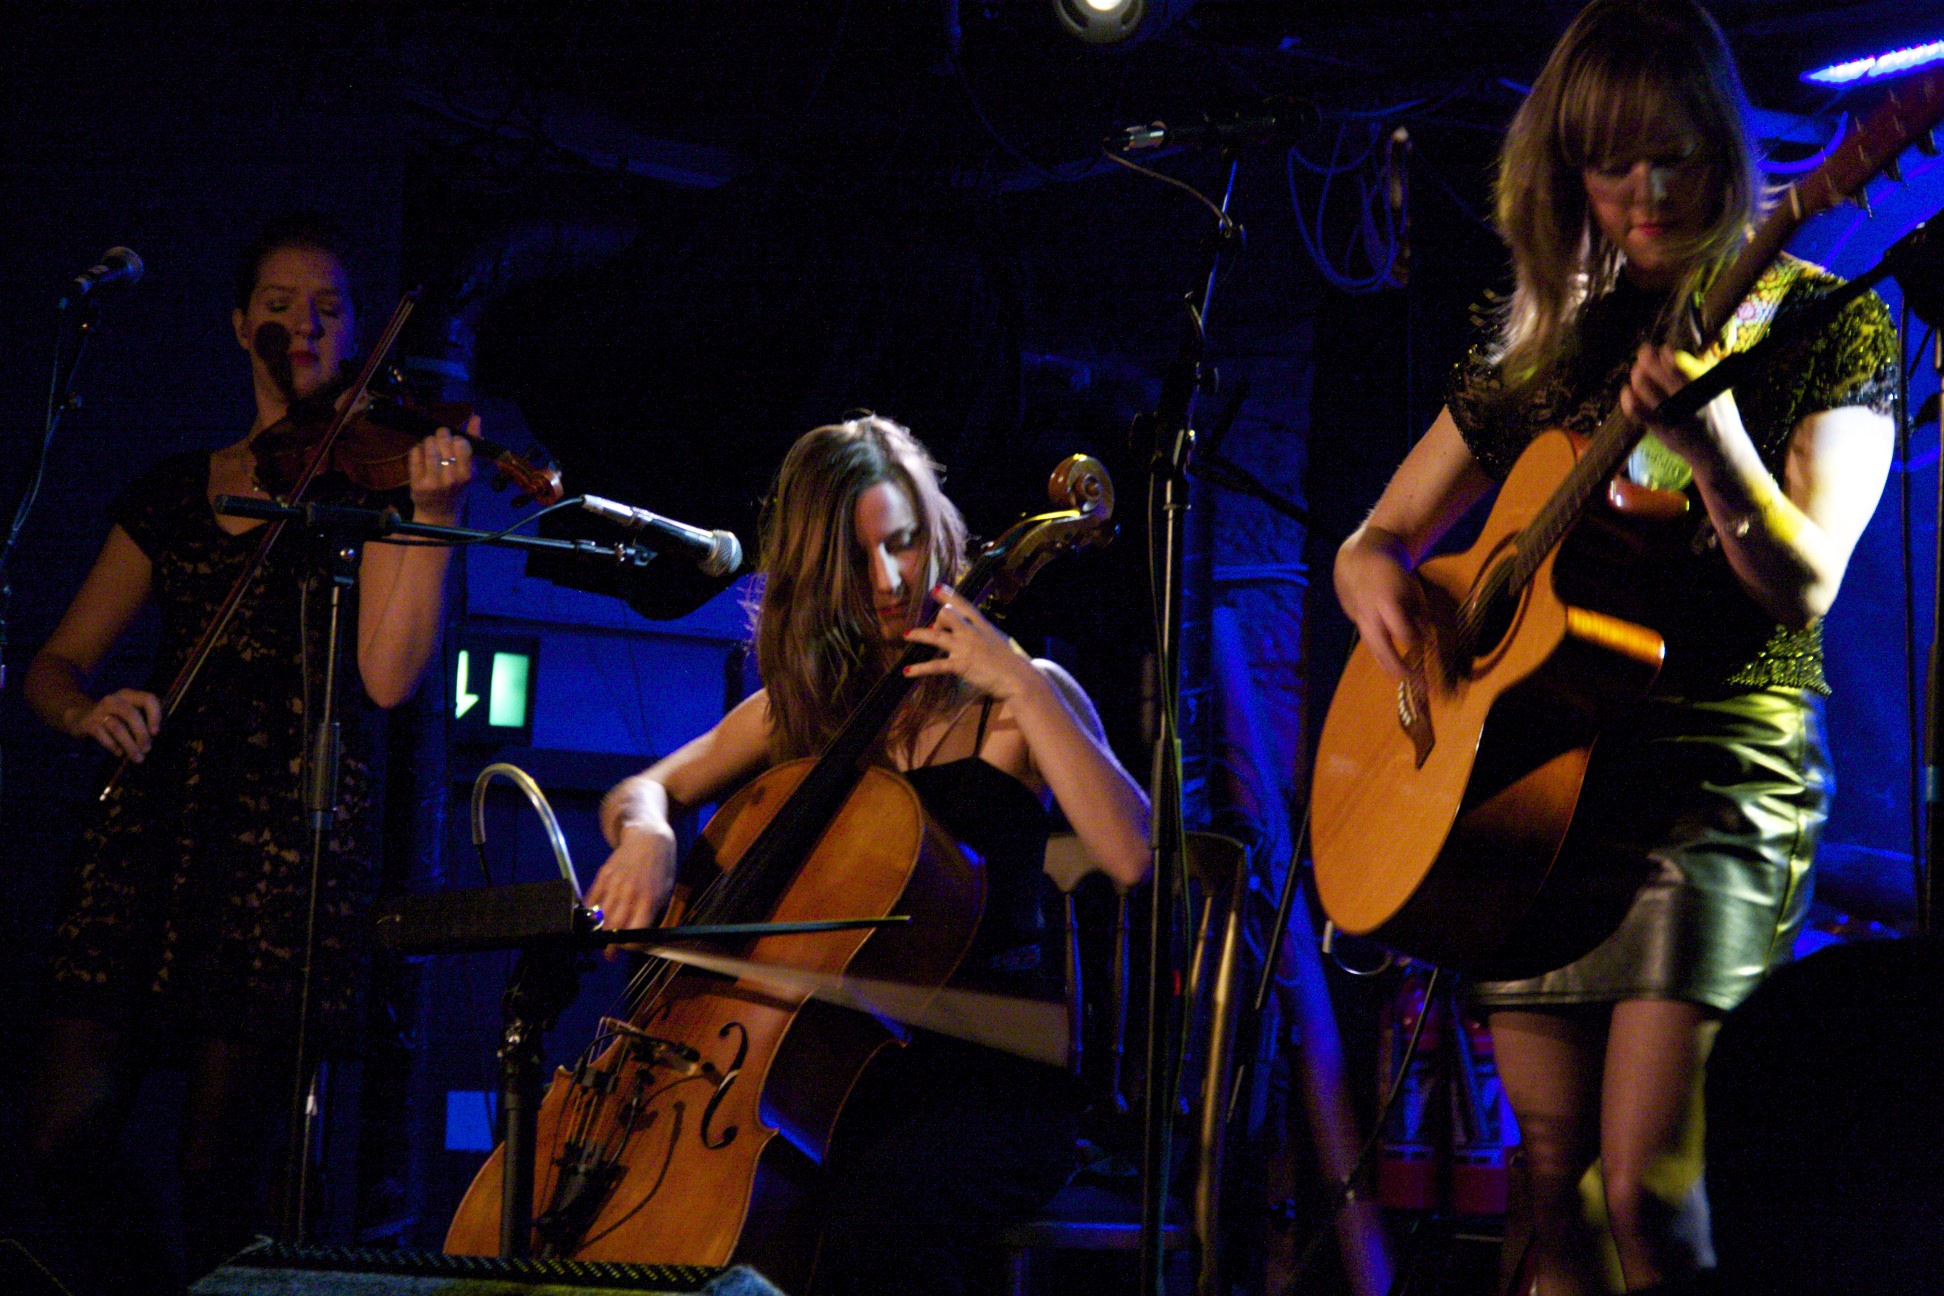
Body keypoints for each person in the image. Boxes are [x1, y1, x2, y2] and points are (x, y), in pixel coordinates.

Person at [1329, 2, 1897, 1292]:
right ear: (1565, 169)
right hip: (1535, 788)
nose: (1644, 189)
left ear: (1725, 148)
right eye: (1609, 160)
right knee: (1550, 1181)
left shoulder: (1820, 323)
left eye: (1675, 154)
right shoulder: (1545, 335)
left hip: (1715, 783)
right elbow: (1375, 538)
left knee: (1648, 1191)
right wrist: (1378, 583)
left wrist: (1712, 448)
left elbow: (1804, 585)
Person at [592, 413, 1151, 1296]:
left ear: (939, 535)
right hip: (836, 1084)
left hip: (987, 1092)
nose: (891, 581)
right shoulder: (809, 712)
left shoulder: (1018, 701)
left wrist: (1013, 677)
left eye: (905, 543)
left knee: (872, 1215)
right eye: (858, 562)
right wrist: (652, 834)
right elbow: (645, 788)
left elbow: (1130, 852)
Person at [22, 213, 475, 1294]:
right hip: (152, 832)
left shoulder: (375, 491)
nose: (303, 327)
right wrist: (87, 714)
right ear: (239, 328)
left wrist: (435, 509)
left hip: (290, 839)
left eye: (328, 310)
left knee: (223, 1170)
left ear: (359, 334)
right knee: (60, 1136)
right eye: (279, 306)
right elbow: (55, 666)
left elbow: (385, 680)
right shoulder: (182, 488)